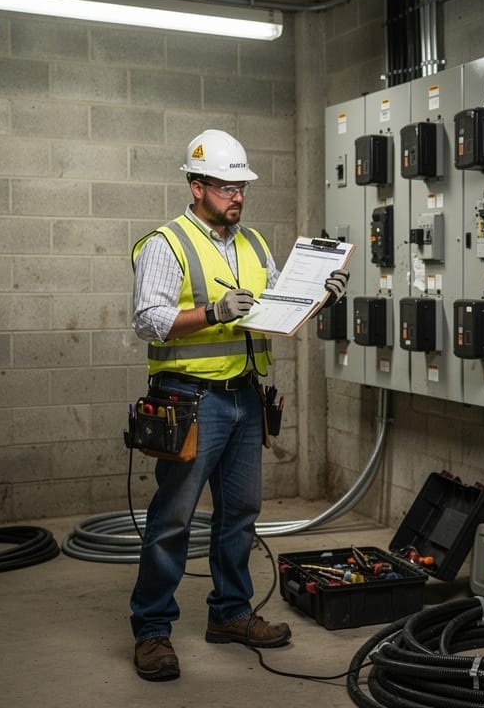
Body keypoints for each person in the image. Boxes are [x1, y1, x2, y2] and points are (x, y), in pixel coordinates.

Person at [128, 128, 349, 681]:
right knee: (172, 520)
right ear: (197, 186)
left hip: (246, 398)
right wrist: (214, 312)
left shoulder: (253, 244)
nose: (238, 196)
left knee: (241, 514)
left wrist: (320, 297)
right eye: (227, 187)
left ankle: (229, 613)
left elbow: (277, 309)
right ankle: (152, 631)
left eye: (242, 187)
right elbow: (147, 321)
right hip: (190, 400)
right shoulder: (166, 243)